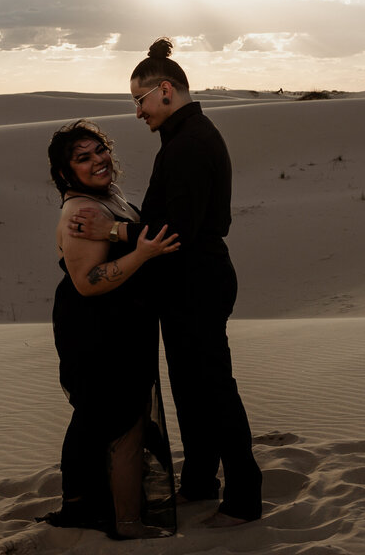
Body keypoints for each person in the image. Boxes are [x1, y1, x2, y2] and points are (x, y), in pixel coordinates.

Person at [69, 38, 263, 527]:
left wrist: (110, 230)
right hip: (187, 281)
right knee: (192, 389)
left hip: (197, 280)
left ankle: (244, 495)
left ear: (166, 90)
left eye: (139, 100)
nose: (137, 112)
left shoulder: (191, 145)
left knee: (213, 388)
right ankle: (201, 480)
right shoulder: (184, 137)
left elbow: (170, 231)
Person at [39, 120, 180, 539]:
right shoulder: (82, 211)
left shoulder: (103, 197)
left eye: (100, 150)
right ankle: (128, 523)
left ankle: (109, 509)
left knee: (122, 417)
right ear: (66, 173)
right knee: (123, 424)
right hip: (98, 333)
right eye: (84, 158)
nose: (98, 160)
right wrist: (142, 254)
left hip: (119, 326)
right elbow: (87, 281)